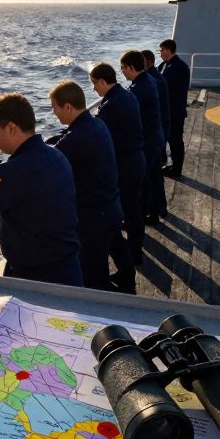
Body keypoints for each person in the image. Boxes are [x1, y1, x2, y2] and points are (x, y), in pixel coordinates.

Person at [0, 93, 83, 286]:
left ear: (11, 128)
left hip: (37, 279)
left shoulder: (16, 171)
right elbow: (20, 185)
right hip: (66, 268)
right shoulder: (55, 154)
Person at [48, 81, 124, 292]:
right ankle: (128, 289)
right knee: (117, 251)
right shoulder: (97, 124)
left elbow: (46, 163)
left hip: (93, 219)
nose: (54, 113)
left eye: (55, 107)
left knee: (93, 275)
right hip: (110, 207)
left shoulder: (75, 139)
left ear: (68, 107)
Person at [89, 62, 141, 291]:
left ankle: (130, 265)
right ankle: (131, 263)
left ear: (102, 81)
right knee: (131, 213)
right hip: (134, 160)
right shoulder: (125, 95)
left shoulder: (111, 104)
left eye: (94, 84)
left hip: (126, 165)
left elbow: (99, 136)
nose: (94, 90)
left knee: (127, 214)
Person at [121, 50, 166, 226]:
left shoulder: (138, 89)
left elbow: (130, 118)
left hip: (147, 142)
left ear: (132, 67)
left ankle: (138, 218)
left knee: (140, 182)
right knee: (154, 177)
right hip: (155, 137)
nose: (122, 71)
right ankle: (155, 212)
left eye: (124, 68)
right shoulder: (149, 80)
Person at [158, 38, 191, 178]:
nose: (160, 53)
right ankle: (170, 165)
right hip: (168, 111)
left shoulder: (178, 67)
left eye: (161, 50)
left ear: (167, 50)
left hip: (175, 112)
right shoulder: (164, 65)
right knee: (169, 139)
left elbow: (172, 90)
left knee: (175, 141)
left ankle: (177, 170)